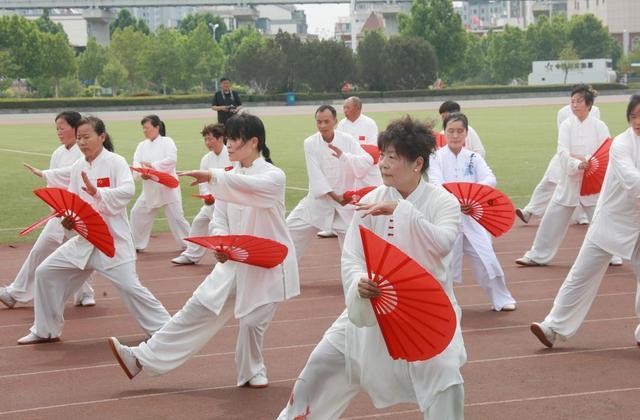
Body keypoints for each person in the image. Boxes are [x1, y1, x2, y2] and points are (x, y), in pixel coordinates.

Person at [277, 116, 466, 420]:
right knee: (322, 362)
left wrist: (402, 210)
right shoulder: (371, 200)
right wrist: (360, 283)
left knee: (444, 377)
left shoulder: (443, 202)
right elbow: (352, 255)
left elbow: (442, 243)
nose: (383, 164)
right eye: (383, 156)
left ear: (417, 163)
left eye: (393, 157)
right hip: (372, 305)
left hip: (425, 310)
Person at [108, 114, 299, 389]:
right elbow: (219, 217)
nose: (228, 145)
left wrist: (213, 176)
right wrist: (221, 244)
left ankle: (251, 371)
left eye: (234, 139)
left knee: (251, 322)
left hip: (267, 262)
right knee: (196, 308)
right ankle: (139, 358)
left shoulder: (273, 176)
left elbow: (250, 188)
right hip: (234, 260)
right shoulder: (228, 177)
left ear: (253, 141)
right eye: (228, 138)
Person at [17, 116, 171, 345]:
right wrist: (68, 218)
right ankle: (45, 330)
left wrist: (98, 193)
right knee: (45, 272)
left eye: (86, 137)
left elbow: (128, 190)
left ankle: (165, 329)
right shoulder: (78, 166)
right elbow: (72, 199)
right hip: (83, 240)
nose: (82, 142)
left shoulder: (115, 162)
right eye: (79, 137)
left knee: (130, 286)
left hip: (112, 241)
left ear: (102, 137)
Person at [530, 94, 640, 348]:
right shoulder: (621, 144)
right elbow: (634, 183)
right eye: (633, 116)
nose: (637, 121)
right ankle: (552, 327)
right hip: (610, 220)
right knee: (581, 273)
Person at [0, 111, 96, 309]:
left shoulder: (83, 151)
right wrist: (54, 207)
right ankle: (14, 293)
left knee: (81, 255)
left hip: (79, 215)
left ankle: (85, 294)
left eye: (62, 128)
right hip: (60, 214)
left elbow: (74, 174)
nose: (59, 133)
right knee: (39, 251)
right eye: (57, 129)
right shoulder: (58, 153)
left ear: (75, 128)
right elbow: (53, 186)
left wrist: (45, 173)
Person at [516, 85, 613, 267]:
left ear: (589, 104)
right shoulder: (567, 124)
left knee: (602, 219)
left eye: (579, 101)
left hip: (593, 183)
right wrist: (577, 163)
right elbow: (562, 151)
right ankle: (537, 254)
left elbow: (605, 152)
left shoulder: (600, 126)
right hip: (570, 180)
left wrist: (588, 161)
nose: (574, 105)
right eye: (572, 101)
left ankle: (611, 255)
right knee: (552, 218)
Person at [429, 112, 517, 311]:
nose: (455, 135)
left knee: (487, 258)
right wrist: (456, 200)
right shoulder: (435, 157)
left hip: (472, 216)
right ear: (445, 133)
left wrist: (474, 194)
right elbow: (435, 183)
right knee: (443, 263)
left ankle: (501, 299)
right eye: (451, 131)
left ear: (466, 133)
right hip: (446, 218)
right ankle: (440, 303)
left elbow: (490, 179)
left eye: (460, 131)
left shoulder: (473, 157)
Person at [286, 105, 375, 259]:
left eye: (326, 121)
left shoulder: (347, 140)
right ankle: (282, 275)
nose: (322, 126)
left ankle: (357, 281)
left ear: (335, 121)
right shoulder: (310, 143)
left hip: (345, 208)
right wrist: (336, 197)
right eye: (319, 122)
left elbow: (367, 162)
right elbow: (316, 176)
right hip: (317, 203)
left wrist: (345, 157)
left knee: (354, 252)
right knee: (288, 232)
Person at [515, 98, 602, 225]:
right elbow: (563, 136)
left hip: (586, 158)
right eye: (574, 99)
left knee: (582, 187)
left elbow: (594, 134)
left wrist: (586, 157)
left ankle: (582, 216)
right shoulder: (563, 112)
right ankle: (528, 211)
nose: (576, 104)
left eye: (581, 100)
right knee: (548, 182)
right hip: (565, 155)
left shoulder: (595, 111)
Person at [171, 123, 231, 265]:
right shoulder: (206, 159)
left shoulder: (231, 156)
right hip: (211, 203)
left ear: (221, 138)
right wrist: (206, 196)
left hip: (228, 203)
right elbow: (203, 182)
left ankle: (227, 256)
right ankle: (191, 255)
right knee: (199, 222)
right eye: (205, 139)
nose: (208, 143)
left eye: (211, 139)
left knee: (221, 229)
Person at [130, 115, 191, 252]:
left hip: (167, 187)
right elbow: (136, 162)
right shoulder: (141, 146)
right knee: (137, 213)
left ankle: (189, 244)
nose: (144, 131)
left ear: (157, 127)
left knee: (177, 218)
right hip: (150, 189)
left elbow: (171, 160)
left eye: (147, 128)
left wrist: (152, 166)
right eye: (143, 128)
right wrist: (141, 174)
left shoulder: (167, 141)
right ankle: (137, 244)